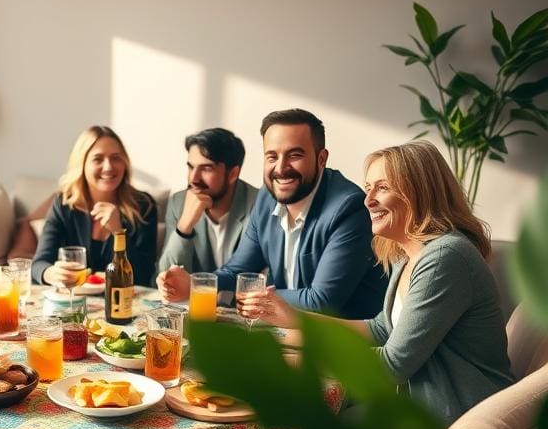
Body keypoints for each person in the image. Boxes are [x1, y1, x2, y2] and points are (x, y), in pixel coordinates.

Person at [240, 141, 513, 425]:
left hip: (460, 420)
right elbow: (381, 328)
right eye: (368, 187)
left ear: (420, 191)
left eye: (382, 188)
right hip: (421, 407)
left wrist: (296, 359)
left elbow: (392, 366)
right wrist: (295, 318)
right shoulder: (407, 254)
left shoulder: (445, 257)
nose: (367, 200)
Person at [158, 108, 387, 318]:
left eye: (294, 155)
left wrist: (256, 296)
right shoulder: (268, 197)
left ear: (321, 159)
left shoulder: (348, 207)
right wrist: (194, 283)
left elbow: (322, 300)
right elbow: (238, 269)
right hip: (285, 329)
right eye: (272, 156)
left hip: (344, 343)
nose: (280, 168)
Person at [32, 125, 158, 287]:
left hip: (124, 303)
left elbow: (144, 275)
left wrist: (118, 231)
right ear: (82, 164)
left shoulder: (144, 206)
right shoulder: (64, 204)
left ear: (125, 162)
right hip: (75, 301)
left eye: (115, 158)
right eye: (98, 159)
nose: (108, 167)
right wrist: (51, 274)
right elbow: (39, 264)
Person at [157, 127, 259, 276]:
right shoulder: (178, 203)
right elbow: (165, 278)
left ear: (232, 174)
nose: (194, 179)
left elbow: (261, 278)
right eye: (191, 167)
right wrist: (184, 227)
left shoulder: (259, 205)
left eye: (206, 169)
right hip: (193, 299)